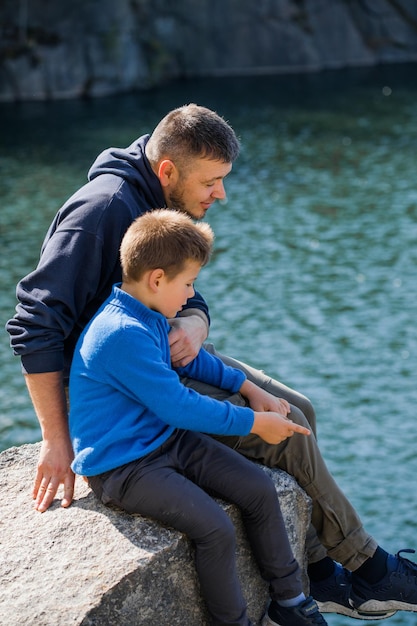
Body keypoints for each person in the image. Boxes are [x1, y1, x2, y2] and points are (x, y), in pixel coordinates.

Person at [6, 103, 417, 621]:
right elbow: (34, 322)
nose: (220, 194)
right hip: (128, 386)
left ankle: (318, 571)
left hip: (171, 353)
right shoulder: (103, 210)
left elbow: (183, 287)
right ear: (167, 171)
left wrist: (196, 324)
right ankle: (366, 570)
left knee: (300, 410)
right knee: (282, 438)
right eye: (212, 182)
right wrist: (56, 437)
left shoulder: (160, 200)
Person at [69, 208, 324, 626]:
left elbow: (192, 362)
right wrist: (254, 423)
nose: (190, 296)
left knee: (258, 488)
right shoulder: (120, 333)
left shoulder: (149, 315)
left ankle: (291, 601)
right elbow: (178, 405)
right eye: (187, 284)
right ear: (156, 279)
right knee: (215, 529)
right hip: (123, 468)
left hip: (165, 440)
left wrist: (249, 388)